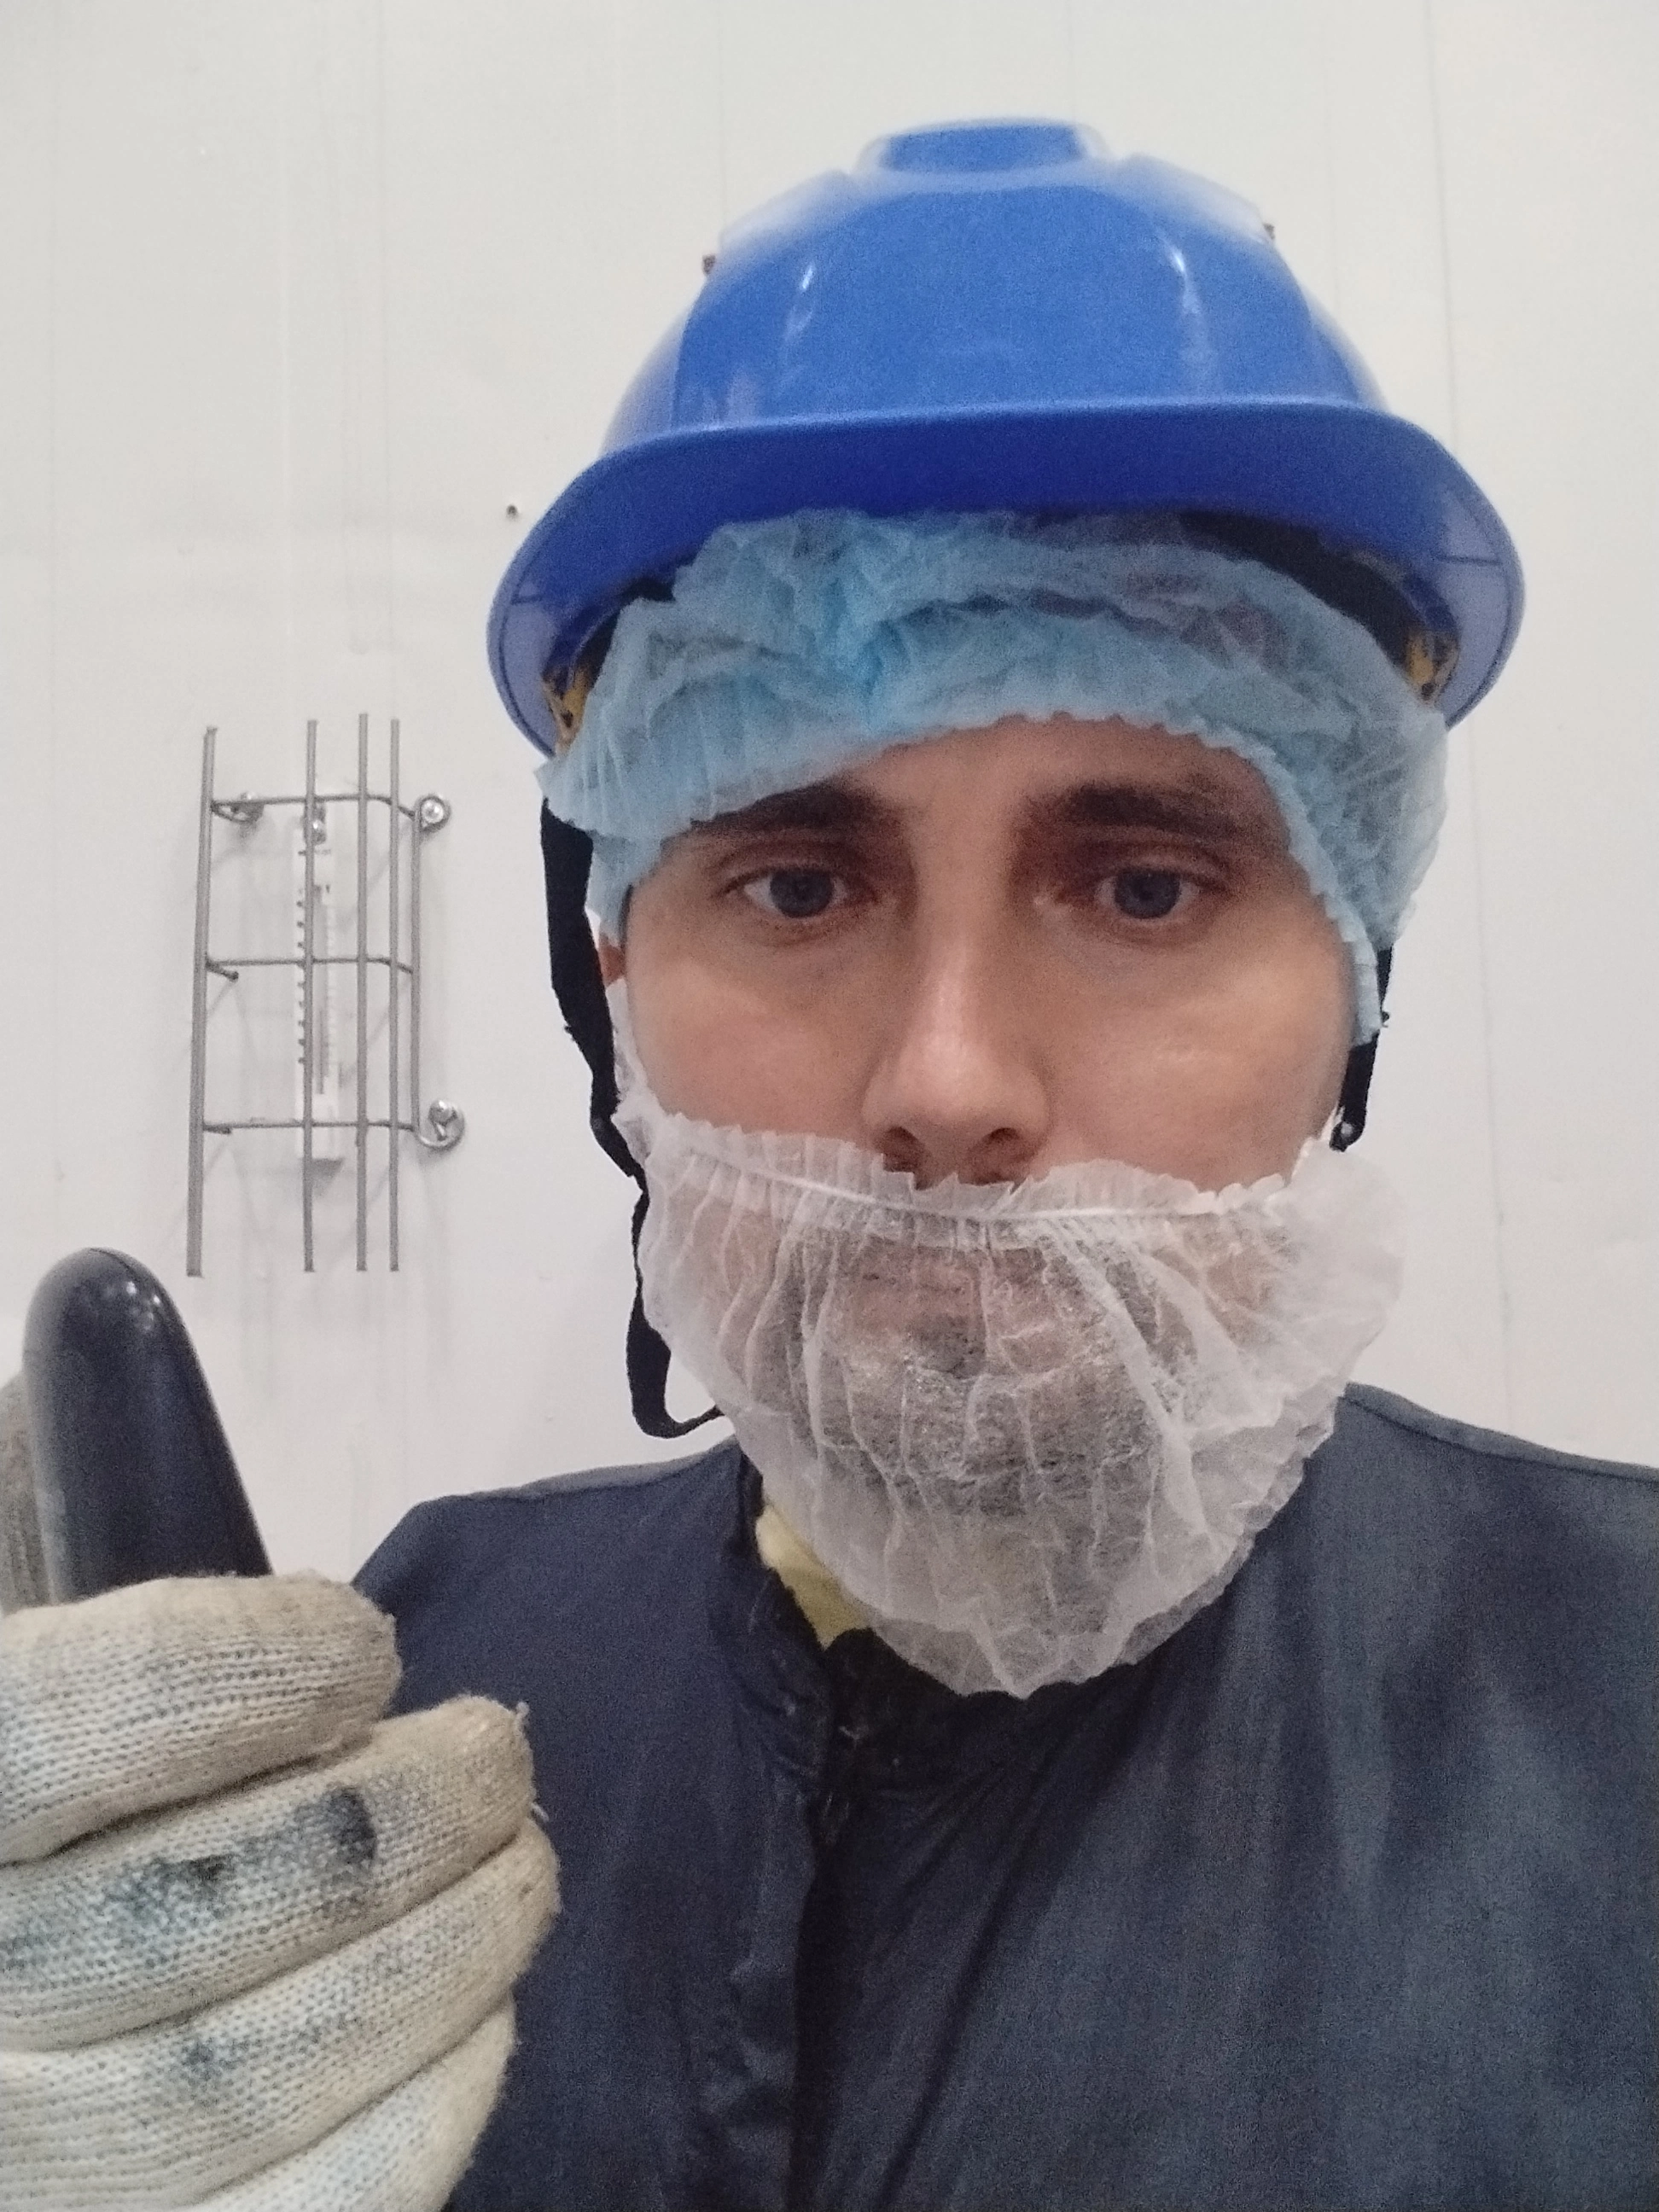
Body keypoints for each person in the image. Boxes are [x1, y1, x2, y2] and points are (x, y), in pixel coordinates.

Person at [2, 120, 1653, 2212]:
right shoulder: (424, 1660)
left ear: (1356, 978)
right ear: (614, 971)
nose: (948, 1084)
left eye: (1144, 886)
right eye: (796, 885)